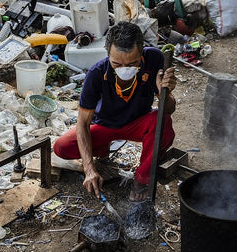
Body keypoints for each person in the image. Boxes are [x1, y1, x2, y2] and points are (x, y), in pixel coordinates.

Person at [53, 21, 177, 202]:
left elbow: (170, 109)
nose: (124, 69)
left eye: (133, 63)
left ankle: (141, 179)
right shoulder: (96, 74)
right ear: (107, 53)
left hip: (139, 122)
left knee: (163, 122)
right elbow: (83, 124)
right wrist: (89, 169)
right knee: (62, 146)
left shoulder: (155, 59)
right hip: (104, 125)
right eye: (116, 63)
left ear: (142, 52)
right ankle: (103, 149)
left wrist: (165, 93)